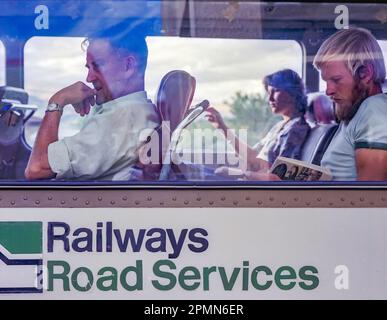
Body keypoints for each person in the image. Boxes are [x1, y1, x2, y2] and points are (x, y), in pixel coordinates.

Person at [25, 30, 160, 180]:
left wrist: (57, 102)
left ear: (128, 66)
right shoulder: (137, 111)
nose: (89, 78)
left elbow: (36, 168)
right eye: (88, 68)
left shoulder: (120, 120)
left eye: (98, 65)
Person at [314, 27, 387, 181]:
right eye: (326, 81)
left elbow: (370, 199)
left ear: (365, 74)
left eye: (336, 80)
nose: (328, 91)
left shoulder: (374, 111)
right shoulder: (354, 112)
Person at [206, 69, 310, 174]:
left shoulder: (296, 129)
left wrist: (238, 174)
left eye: (276, 91)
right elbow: (253, 156)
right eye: (269, 92)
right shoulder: (280, 126)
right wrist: (222, 127)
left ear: (292, 93)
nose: (270, 98)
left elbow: (276, 176)